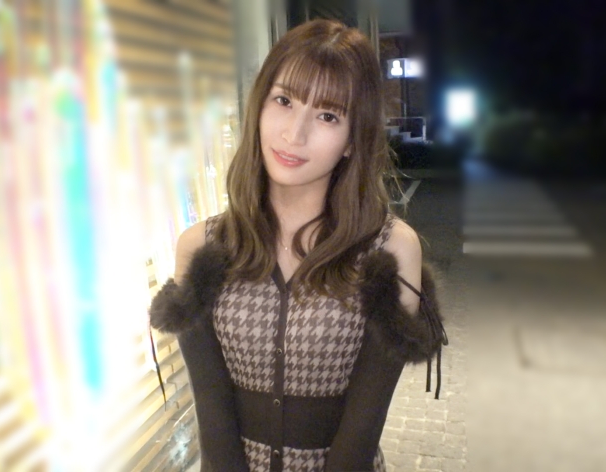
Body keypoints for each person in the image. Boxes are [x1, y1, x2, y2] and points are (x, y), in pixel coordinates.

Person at [150, 19, 445, 472]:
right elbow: (213, 415)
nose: (295, 133)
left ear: (353, 140)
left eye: (328, 115)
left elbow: (363, 426)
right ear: (259, 105)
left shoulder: (389, 252)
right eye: (284, 101)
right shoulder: (202, 248)